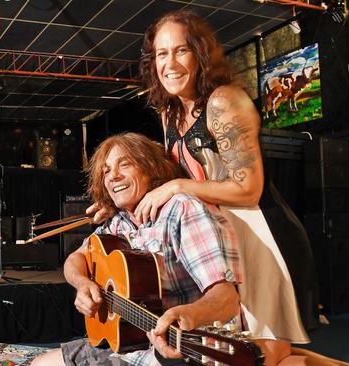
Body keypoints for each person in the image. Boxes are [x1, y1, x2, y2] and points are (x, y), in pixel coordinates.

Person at [87, 9, 319, 366]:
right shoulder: (171, 113)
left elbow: (249, 190)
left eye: (181, 50)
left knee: (262, 357)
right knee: (236, 354)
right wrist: (118, 203)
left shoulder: (225, 101)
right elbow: (167, 179)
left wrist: (177, 186)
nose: (171, 63)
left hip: (261, 238)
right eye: (162, 54)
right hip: (217, 238)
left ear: (200, 54)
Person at [32, 132, 243, 366]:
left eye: (125, 165)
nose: (113, 176)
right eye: (106, 171)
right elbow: (76, 258)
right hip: (126, 344)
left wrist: (189, 315)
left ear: (151, 169)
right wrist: (82, 283)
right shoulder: (118, 222)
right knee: (41, 363)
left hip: (174, 351)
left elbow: (226, 298)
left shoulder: (181, 210)